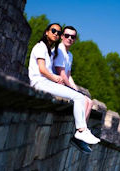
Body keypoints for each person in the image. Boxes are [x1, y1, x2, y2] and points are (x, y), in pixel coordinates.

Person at [28, 23, 100, 153]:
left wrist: (60, 82)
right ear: (46, 32)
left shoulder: (49, 49)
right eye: (53, 31)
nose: (56, 33)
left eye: (58, 32)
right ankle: (81, 131)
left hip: (46, 82)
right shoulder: (40, 46)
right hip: (40, 82)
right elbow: (42, 69)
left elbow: (65, 74)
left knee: (81, 97)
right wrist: (55, 78)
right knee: (79, 97)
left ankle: (81, 132)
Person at [53, 26, 93, 121]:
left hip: (63, 84)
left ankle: (82, 130)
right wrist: (72, 89)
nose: (70, 38)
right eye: (67, 35)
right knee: (84, 100)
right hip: (56, 83)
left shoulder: (70, 55)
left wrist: (75, 88)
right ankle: (80, 129)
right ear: (62, 36)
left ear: (75, 39)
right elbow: (61, 74)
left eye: (72, 37)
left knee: (89, 102)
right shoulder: (59, 50)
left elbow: (68, 75)